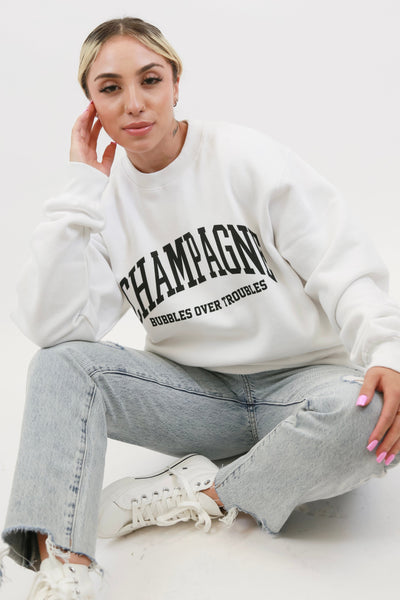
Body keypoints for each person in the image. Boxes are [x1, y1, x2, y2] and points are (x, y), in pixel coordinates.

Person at [2, 15, 400, 600]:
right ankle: (66, 567)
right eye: (110, 88)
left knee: (375, 411)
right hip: (196, 397)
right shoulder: (101, 201)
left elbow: (341, 263)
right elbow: (51, 328)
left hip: (301, 383)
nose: (134, 103)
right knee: (58, 366)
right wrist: (78, 191)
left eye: (150, 80)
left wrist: (386, 350)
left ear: (176, 82)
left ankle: (205, 493)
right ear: (91, 106)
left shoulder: (243, 157)